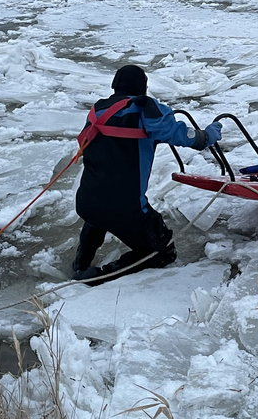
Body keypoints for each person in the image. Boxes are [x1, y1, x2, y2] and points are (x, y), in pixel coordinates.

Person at [71, 64, 223, 285]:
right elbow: (184, 136)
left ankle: (80, 265)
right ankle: (94, 278)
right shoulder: (145, 108)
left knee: (97, 218)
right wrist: (207, 135)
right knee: (163, 252)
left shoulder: (98, 110)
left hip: (87, 201)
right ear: (143, 87)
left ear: (115, 86)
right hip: (126, 208)